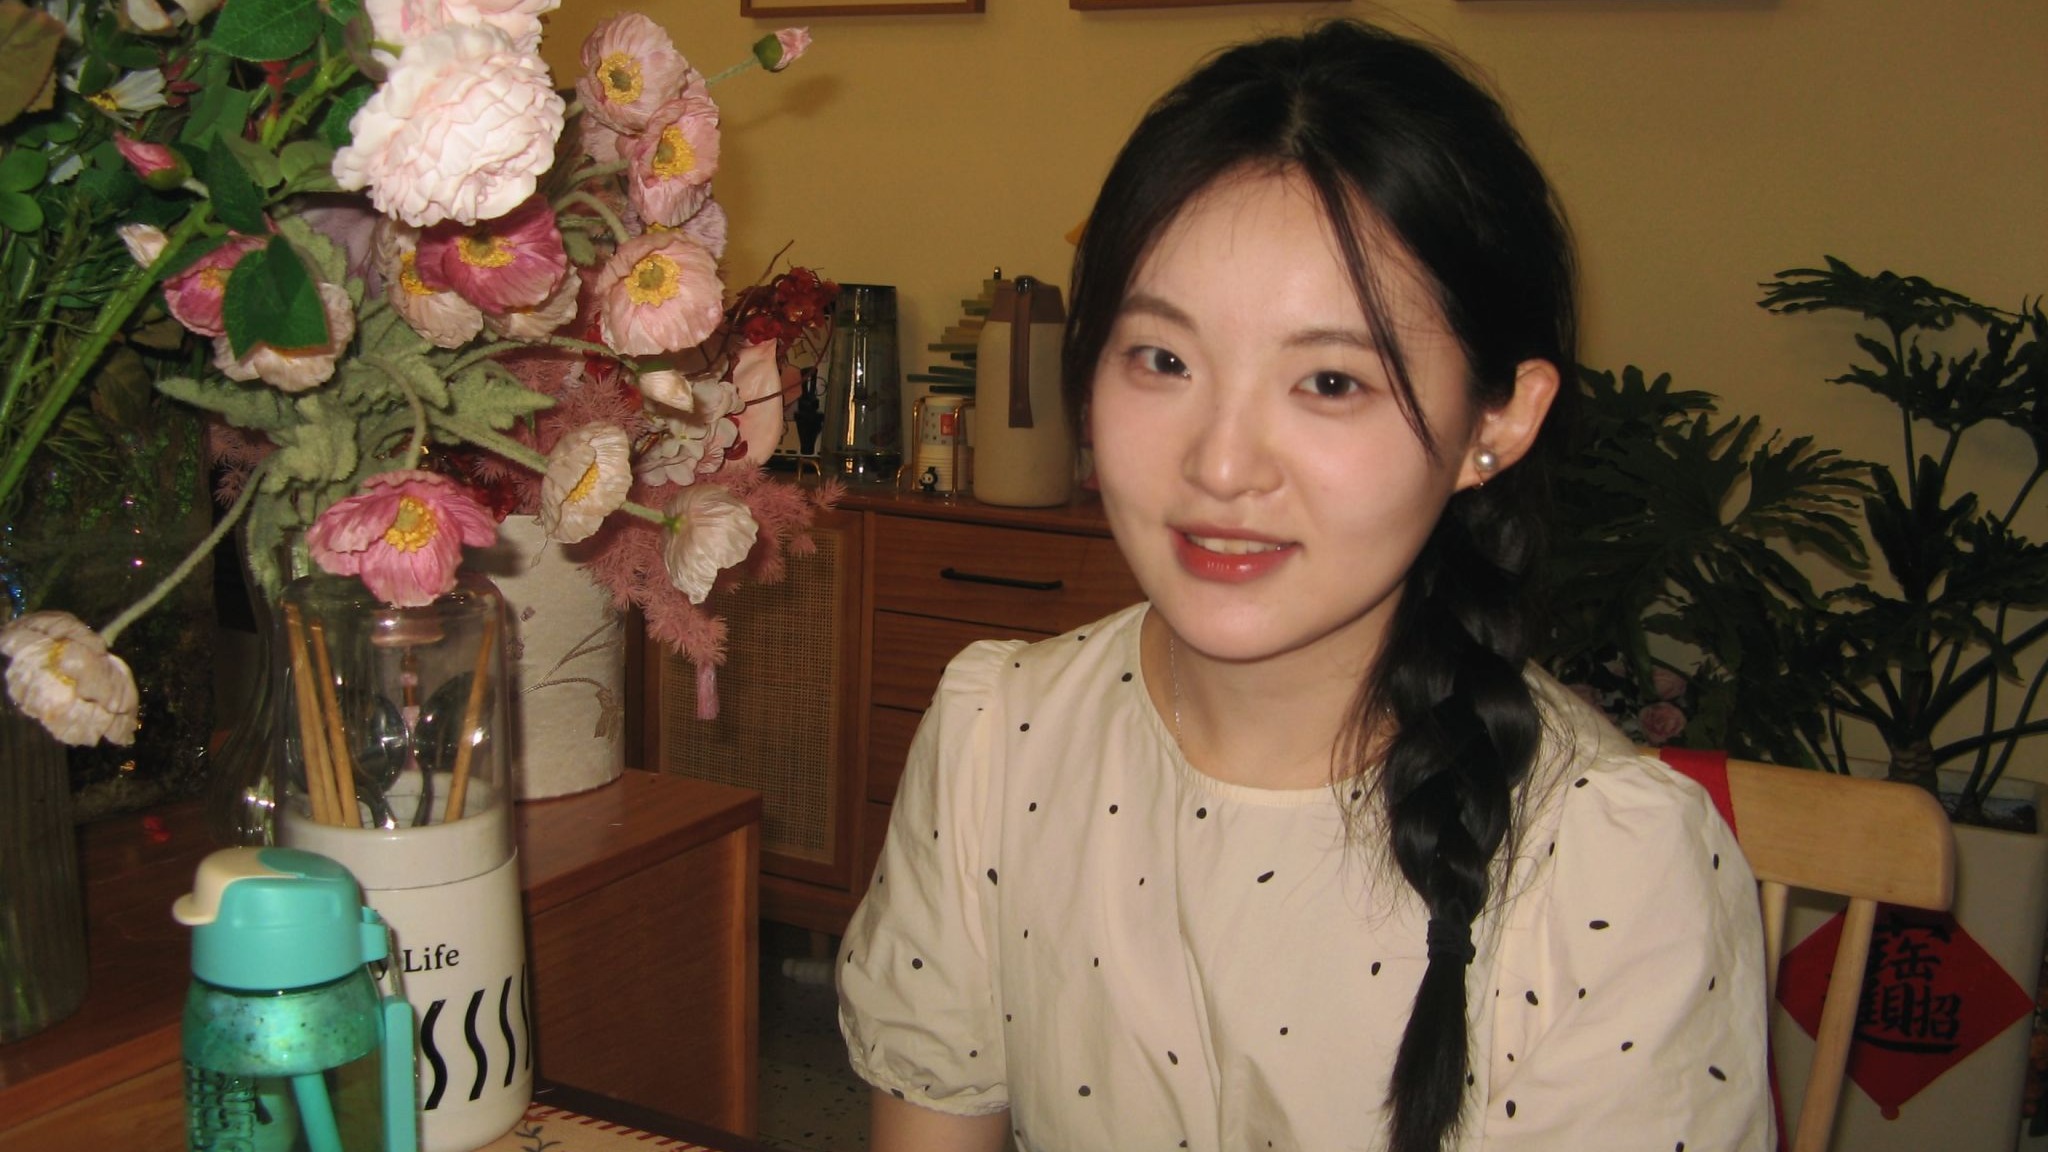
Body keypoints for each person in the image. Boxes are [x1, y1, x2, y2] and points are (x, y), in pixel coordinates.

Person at [837, 19, 1770, 1152]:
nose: (1221, 466)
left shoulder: (1608, 870)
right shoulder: (1001, 740)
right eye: (1162, 360)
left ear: (1497, 419)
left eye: (1329, 381)